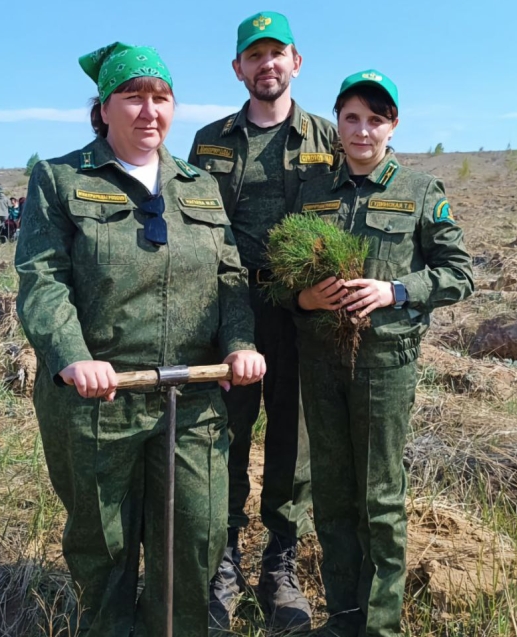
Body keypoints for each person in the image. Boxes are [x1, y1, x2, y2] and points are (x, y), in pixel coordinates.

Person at [15, 42, 266, 637]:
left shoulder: (199, 187)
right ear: (104, 109)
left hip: (193, 396)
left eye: (161, 98)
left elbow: (231, 279)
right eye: (133, 97)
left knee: (197, 535)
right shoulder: (59, 179)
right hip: (99, 400)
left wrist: (239, 343)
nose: (148, 111)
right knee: (104, 546)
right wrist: (74, 358)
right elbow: (42, 280)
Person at [289, 70, 474, 636]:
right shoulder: (314, 194)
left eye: (375, 119)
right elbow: (285, 280)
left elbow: (458, 275)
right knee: (333, 497)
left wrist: (395, 290)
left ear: (393, 126)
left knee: (380, 500)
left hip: (384, 365)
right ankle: (343, 619)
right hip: (321, 364)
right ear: (337, 124)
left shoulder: (420, 191)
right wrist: (306, 296)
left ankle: (380, 627)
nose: (363, 130)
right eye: (352, 118)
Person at [189, 11, 339, 632]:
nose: (266, 65)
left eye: (277, 54)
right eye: (255, 56)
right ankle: (220, 560)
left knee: (292, 443)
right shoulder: (209, 140)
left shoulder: (332, 137)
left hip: (304, 314)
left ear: (296, 62)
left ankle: (281, 563)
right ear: (238, 69)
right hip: (231, 310)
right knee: (221, 436)